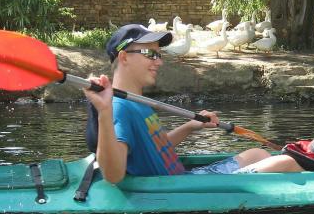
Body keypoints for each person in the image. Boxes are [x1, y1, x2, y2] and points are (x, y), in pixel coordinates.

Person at [83, 24, 302, 183]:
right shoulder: (120, 108)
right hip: (178, 189)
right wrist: (104, 111)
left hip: (185, 177)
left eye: (159, 54)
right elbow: (113, 175)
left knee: (257, 154)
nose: (159, 62)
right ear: (124, 57)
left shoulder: (137, 102)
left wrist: (190, 127)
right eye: (150, 54)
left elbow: (157, 146)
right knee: (285, 163)